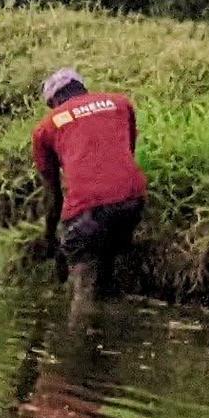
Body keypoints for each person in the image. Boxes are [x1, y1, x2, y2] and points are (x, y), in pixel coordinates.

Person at [34, 67, 147, 310]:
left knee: (83, 287)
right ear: (82, 87)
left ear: (53, 101)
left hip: (88, 210)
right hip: (132, 201)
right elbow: (126, 152)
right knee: (105, 269)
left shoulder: (46, 128)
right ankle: (111, 330)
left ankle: (73, 343)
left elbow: (53, 195)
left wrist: (50, 238)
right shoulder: (120, 104)